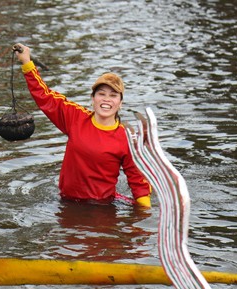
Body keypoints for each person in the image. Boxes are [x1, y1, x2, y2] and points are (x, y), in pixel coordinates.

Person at [13, 43, 151, 208]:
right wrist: (27, 63)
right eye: (101, 94)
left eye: (113, 95)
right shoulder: (75, 117)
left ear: (120, 103)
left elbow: (138, 181)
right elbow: (45, 96)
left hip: (102, 207)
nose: (106, 99)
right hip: (66, 202)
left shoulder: (126, 138)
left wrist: (144, 217)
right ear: (93, 98)